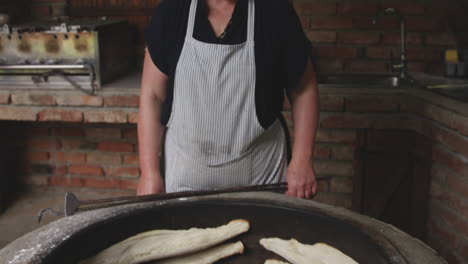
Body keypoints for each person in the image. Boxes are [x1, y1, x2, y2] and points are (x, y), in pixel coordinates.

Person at [137, 0, 319, 199]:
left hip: (261, 175)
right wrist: (149, 173)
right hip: (184, 175)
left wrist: (302, 160)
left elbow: (304, 89)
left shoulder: (274, 11)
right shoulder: (172, 12)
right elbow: (152, 96)